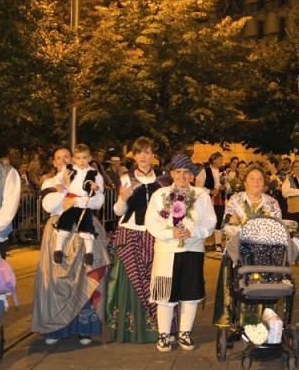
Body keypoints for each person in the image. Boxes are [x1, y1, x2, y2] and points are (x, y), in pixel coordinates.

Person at [34, 147, 110, 346]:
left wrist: (73, 196)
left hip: (84, 227)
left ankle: (85, 329)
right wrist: (67, 190)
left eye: (67, 157)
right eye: (58, 158)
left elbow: (97, 202)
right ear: (54, 162)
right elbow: (50, 206)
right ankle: (54, 329)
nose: (63, 161)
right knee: (56, 280)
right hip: (59, 231)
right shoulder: (51, 182)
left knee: (86, 277)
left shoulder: (86, 178)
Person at [146, 154, 217, 352]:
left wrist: (193, 231)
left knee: (190, 293)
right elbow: (151, 222)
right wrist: (171, 232)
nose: (182, 176)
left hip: (192, 249)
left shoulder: (201, 195)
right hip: (166, 250)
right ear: (172, 174)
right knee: (164, 292)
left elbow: (210, 222)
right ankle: (164, 335)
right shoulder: (159, 196)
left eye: (186, 172)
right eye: (178, 172)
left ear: (192, 175)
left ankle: (184, 333)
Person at [213, 164, 285, 332]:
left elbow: (278, 228)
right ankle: (235, 322)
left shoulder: (272, 203)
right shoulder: (235, 200)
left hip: (264, 254)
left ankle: (262, 322)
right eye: (252, 179)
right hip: (237, 251)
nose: (256, 182)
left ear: (264, 184)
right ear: (244, 182)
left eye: (260, 179)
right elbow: (226, 226)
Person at [107, 137, 165, 343]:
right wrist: (122, 198)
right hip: (130, 232)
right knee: (131, 283)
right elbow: (117, 211)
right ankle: (129, 329)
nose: (143, 156)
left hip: (155, 235)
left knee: (155, 281)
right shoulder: (126, 178)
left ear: (153, 155)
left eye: (147, 152)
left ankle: (158, 327)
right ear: (134, 155)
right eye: (139, 152)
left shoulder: (164, 179)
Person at [51, 144, 103, 265]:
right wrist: (58, 184)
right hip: (70, 201)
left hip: (84, 202)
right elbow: (57, 178)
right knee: (64, 224)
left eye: (84, 158)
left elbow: (100, 188)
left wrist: (97, 187)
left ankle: (89, 252)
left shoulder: (94, 173)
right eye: (78, 158)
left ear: (90, 158)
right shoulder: (69, 169)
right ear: (74, 159)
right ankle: (58, 249)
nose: (81, 161)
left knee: (86, 227)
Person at [197, 152, 226, 231]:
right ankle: (207, 240)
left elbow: (225, 183)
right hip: (208, 199)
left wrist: (224, 187)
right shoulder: (205, 171)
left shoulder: (222, 171)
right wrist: (210, 191)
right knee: (209, 220)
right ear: (214, 160)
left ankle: (218, 242)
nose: (222, 161)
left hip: (220, 199)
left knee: (219, 218)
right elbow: (198, 187)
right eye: (220, 159)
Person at [280, 159, 299, 227]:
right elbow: (285, 192)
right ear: (292, 168)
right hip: (294, 212)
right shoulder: (289, 179)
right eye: (296, 166)